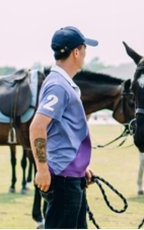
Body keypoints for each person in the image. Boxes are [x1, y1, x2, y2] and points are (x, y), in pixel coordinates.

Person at [29, 26, 98, 229]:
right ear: (76, 52)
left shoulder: (64, 84)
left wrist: (80, 167)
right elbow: (37, 127)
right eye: (84, 48)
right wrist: (42, 170)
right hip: (63, 180)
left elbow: (63, 132)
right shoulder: (59, 86)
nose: (85, 54)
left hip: (71, 176)